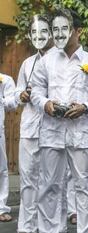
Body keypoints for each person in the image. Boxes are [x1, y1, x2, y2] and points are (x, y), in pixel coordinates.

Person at [31, 8, 88, 233]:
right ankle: (51, 230)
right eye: (55, 29)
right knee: (49, 186)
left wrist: (86, 107)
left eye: (64, 28)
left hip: (81, 133)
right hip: (51, 132)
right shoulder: (45, 61)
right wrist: (46, 104)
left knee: (84, 186)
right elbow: (36, 91)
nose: (58, 34)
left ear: (77, 31)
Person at [14, 14, 55, 232]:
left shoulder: (60, 60)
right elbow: (15, 95)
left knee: (51, 183)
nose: (39, 36)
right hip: (30, 128)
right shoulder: (27, 63)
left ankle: (47, 226)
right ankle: (26, 228)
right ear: (30, 35)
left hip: (53, 130)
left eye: (43, 32)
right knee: (28, 180)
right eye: (35, 33)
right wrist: (21, 95)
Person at [0, 74, 18, 223]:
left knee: (0, 169)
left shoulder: (5, 79)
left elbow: (13, 102)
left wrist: (1, 100)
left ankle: (0, 208)